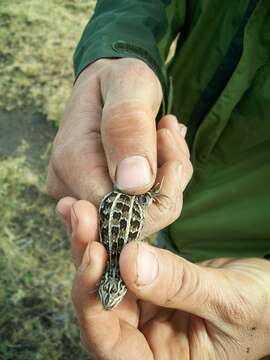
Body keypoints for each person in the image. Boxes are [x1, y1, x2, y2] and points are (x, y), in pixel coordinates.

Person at [47, 1, 270, 359]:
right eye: (110, 291)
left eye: (112, 289)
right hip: (159, 157)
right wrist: (119, 52)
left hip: (245, 254)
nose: (110, 292)